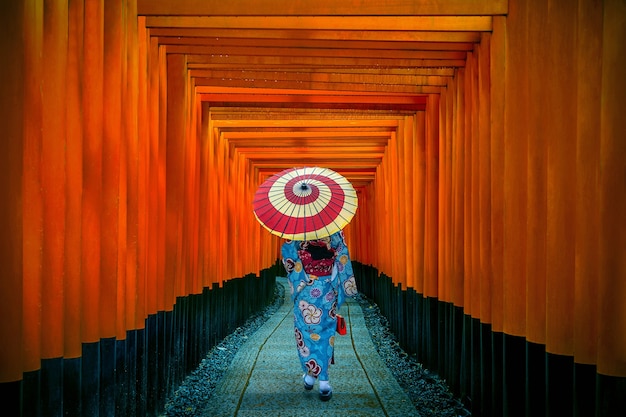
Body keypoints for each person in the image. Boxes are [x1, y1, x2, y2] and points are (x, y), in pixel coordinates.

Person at [281, 230, 358, 401]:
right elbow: (342, 255)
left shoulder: (295, 232)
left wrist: (303, 275)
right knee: (325, 333)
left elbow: (288, 257)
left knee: (306, 332)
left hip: (306, 288)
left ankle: (312, 375)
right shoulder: (334, 229)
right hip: (327, 288)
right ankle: (323, 381)